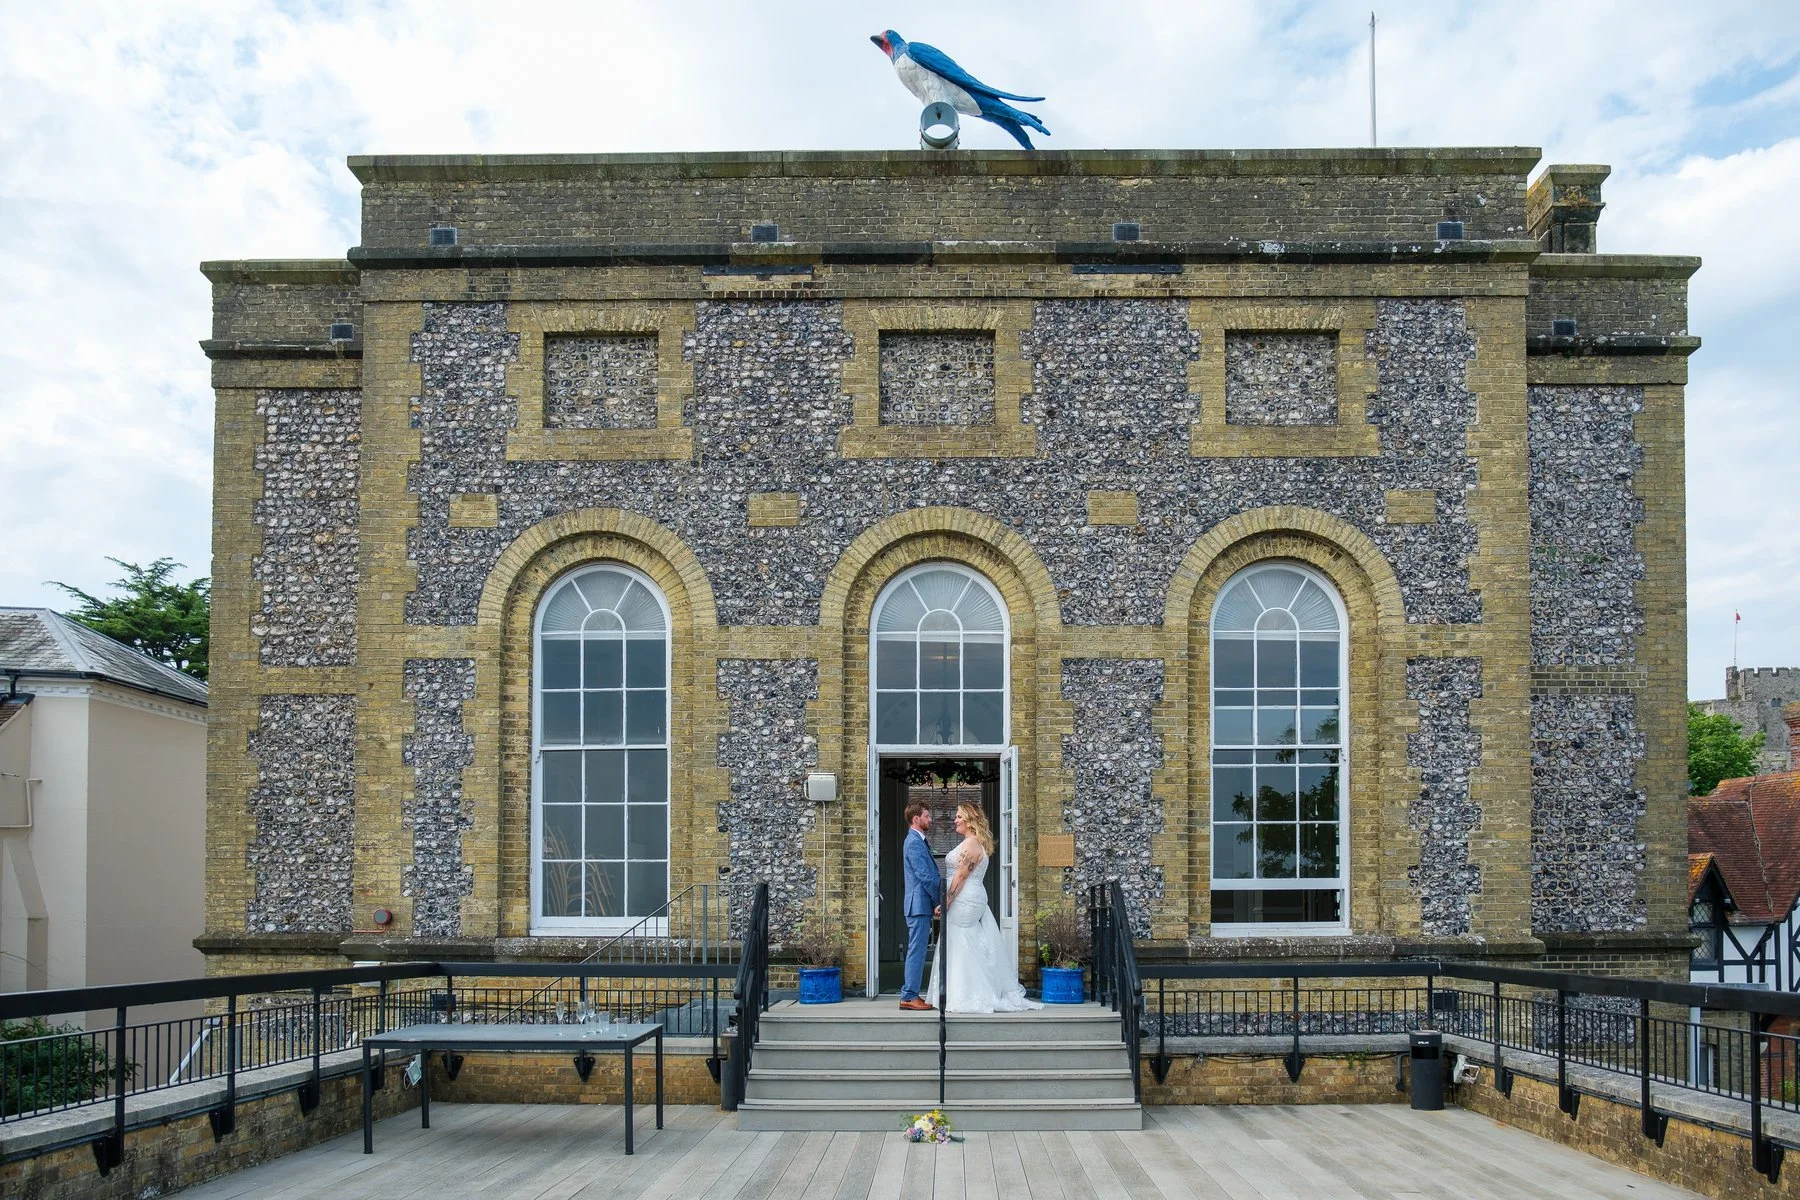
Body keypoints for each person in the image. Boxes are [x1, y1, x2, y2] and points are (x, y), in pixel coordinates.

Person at [928, 802, 1041, 1013]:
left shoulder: (971, 844)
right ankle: (957, 991)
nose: (955, 820)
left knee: (961, 940)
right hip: (969, 896)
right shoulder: (973, 842)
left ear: (971, 820)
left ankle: (968, 995)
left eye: (959, 817)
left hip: (965, 897)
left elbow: (961, 875)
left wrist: (946, 901)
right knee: (963, 940)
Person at [898, 799, 941, 1011]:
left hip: (920, 904)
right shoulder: (914, 842)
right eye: (927, 816)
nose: (930, 819)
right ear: (916, 819)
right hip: (918, 904)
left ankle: (911, 994)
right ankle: (909, 995)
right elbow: (925, 876)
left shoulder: (918, 840)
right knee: (917, 951)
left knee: (919, 950)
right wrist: (938, 900)